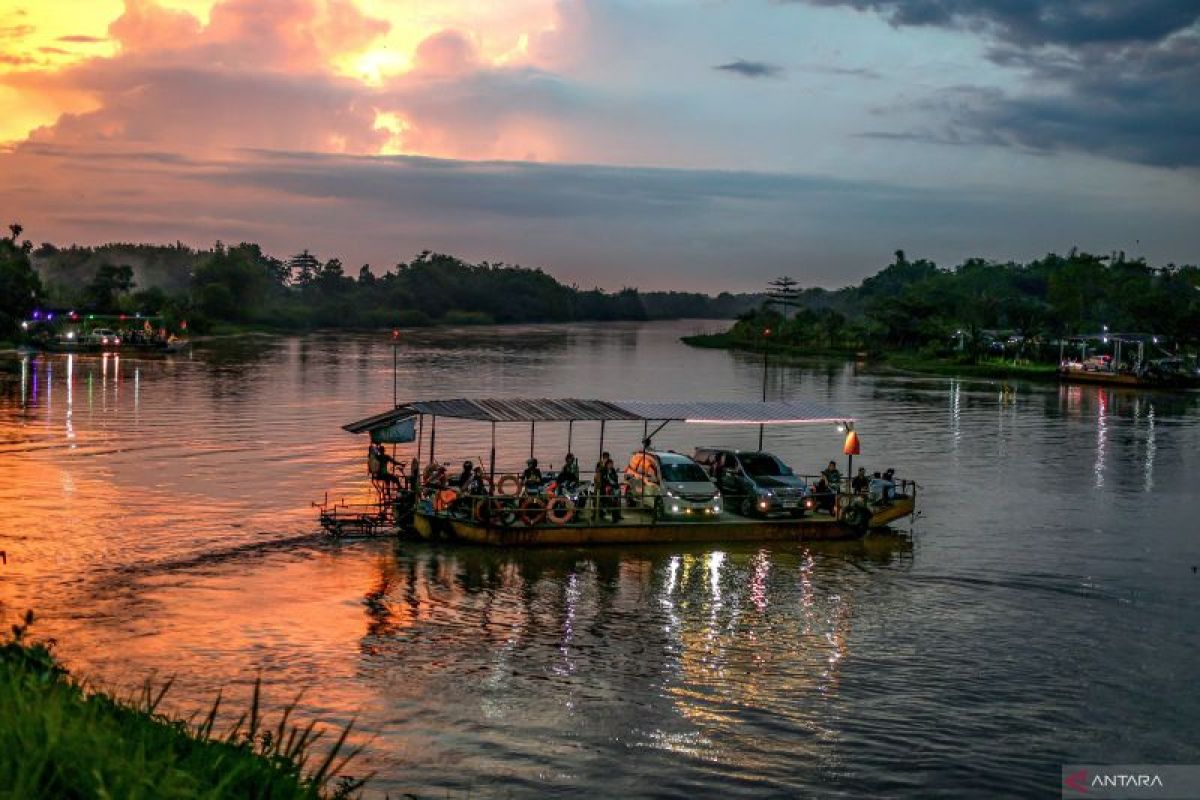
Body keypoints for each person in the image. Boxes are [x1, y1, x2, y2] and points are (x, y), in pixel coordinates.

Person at [600, 456, 622, 522]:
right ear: (606, 464)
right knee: (609, 502)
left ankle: (615, 517)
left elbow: (615, 479)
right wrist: (607, 486)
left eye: (612, 464)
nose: (611, 465)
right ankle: (605, 514)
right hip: (606, 489)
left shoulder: (613, 470)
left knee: (615, 502)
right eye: (609, 464)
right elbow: (603, 481)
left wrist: (614, 485)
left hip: (613, 489)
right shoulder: (603, 471)